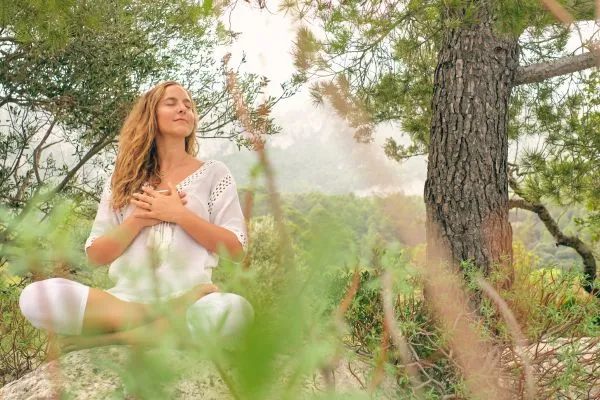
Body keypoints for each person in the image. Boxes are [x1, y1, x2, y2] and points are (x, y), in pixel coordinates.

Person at [18, 81, 253, 350]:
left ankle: (120, 337)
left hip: (195, 299)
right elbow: (96, 255)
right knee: (35, 297)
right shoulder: (123, 180)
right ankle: (157, 318)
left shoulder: (214, 173)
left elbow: (236, 249)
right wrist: (138, 220)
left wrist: (179, 215)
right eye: (172, 103)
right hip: (124, 302)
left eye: (189, 105)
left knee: (236, 312)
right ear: (150, 115)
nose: (183, 109)